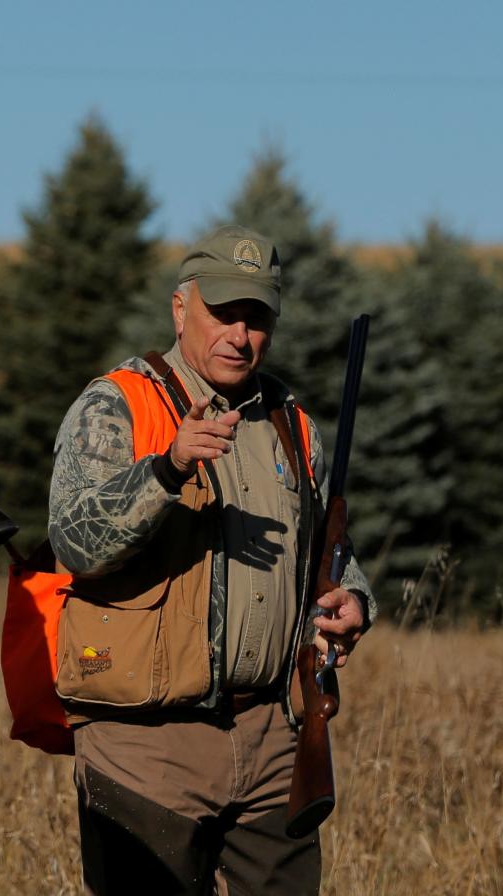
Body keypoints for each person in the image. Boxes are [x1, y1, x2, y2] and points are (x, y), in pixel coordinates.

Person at [48, 225, 376, 895]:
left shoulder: (291, 421)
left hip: (272, 738)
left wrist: (353, 597)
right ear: (180, 308)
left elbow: (318, 552)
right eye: (223, 313)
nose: (240, 334)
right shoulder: (116, 403)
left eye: (257, 318)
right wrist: (166, 471)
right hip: (147, 746)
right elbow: (75, 543)